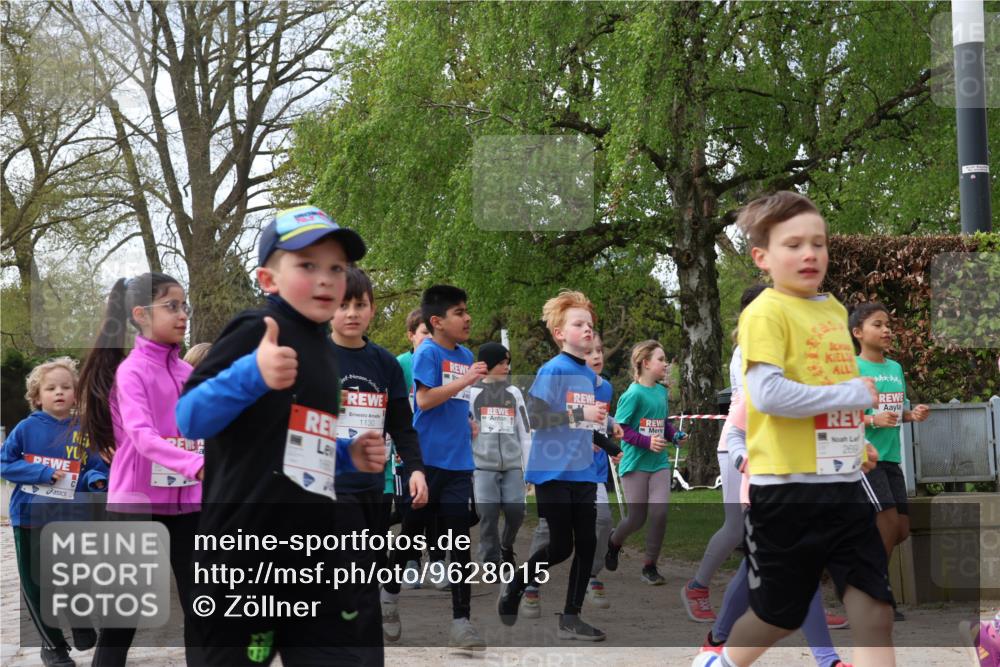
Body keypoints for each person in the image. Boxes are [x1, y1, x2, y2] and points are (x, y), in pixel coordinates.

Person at [175, 205, 386, 666]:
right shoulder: (259, 330)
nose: (328, 279)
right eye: (307, 265)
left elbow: (296, 445)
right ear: (268, 279)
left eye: (336, 267)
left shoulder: (322, 348)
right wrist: (252, 373)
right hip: (243, 557)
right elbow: (189, 418)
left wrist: (348, 456)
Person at [719, 191, 893, 667]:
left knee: (875, 608)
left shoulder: (835, 309)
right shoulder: (765, 312)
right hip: (787, 493)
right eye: (793, 244)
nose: (810, 253)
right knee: (779, 615)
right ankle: (719, 661)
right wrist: (853, 396)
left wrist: (855, 445)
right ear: (762, 258)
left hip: (844, 484)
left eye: (818, 242)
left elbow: (825, 385)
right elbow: (769, 395)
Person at [76, 272, 203, 667]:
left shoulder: (188, 374)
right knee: (122, 620)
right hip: (136, 505)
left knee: (203, 610)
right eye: (172, 306)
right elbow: (143, 437)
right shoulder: (130, 372)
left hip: (189, 506)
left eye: (185, 306)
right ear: (140, 315)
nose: (182, 314)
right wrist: (198, 464)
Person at [497, 290, 620, 641]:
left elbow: (581, 427)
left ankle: (571, 617)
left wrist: (608, 444)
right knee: (561, 547)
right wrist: (582, 413)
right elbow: (535, 417)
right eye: (578, 324)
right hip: (552, 473)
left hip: (583, 471)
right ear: (559, 333)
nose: (587, 331)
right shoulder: (553, 370)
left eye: (590, 325)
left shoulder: (591, 378)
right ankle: (518, 583)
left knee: (586, 543)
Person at [380, 284, 488, 651]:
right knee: (410, 534)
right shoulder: (427, 352)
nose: (468, 317)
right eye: (459, 312)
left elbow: (458, 402)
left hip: (458, 463)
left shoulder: (467, 354)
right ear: (437, 321)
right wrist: (467, 379)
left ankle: (462, 623)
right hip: (425, 465)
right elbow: (424, 401)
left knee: (459, 542)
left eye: (466, 310)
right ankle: (389, 598)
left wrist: (469, 420)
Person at [329, 267, 428, 649]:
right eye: (343, 304)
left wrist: (416, 470)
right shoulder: (315, 359)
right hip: (329, 487)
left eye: (360, 304)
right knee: (350, 567)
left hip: (375, 485)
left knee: (367, 569)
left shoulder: (385, 364)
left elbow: (403, 426)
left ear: (371, 309)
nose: (352, 312)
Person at [1, 357, 109, 667]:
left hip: (74, 519)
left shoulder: (85, 430)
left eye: (66, 387)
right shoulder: (25, 428)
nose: (59, 392)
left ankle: (81, 622)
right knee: (37, 585)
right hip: (30, 519)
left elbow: (95, 468)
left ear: (77, 393)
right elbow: (5, 463)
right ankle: (53, 647)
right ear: (37, 397)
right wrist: (39, 473)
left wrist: (97, 481)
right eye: (51, 388)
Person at [521, 332, 622, 617]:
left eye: (601, 351)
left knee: (600, 522)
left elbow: (597, 420)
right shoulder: (560, 375)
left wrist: (610, 433)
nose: (597, 356)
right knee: (551, 534)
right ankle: (530, 583)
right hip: (557, 470)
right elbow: (546, 417)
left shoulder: (604, 388)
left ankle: (589, 577)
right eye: (591, 352)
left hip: (591, 471)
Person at [683, 284, 765, 622]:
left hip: (768, 445)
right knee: (736, 529)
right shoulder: (745, 350)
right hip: (740, 445)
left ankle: (802, 606)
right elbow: (757, 400)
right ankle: (697, 588)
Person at [850, 301, 929, 621]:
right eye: (878, 325)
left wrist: (913, 414)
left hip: (892, 458)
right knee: (888, 524)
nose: (886, 330)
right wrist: (870, 422)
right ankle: (874, 595)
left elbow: (896, 414)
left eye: (888, 325)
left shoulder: (894, 368)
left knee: (902, 531)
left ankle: (859, 578)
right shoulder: (852, 368)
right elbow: (840, 416)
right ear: (858, 333)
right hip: (865, 458)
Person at [604, 340, 686, 585]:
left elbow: (663, 422)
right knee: (636, 519)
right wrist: (647, 442)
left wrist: (674, 435)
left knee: (659, 513)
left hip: (659, 463)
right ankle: (614, 541)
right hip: (635, 463)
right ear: (645, 363)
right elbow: (621, 429)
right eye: (661, 359)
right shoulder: (633, 394)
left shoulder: (661, 391)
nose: (665, 364)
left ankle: (650, 565)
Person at [469, 342, 529, 566]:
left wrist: (529, 468)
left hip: (512, 465)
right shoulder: (471, 394)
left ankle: (506, 545)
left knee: (516, 511)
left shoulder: (514, 393)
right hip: (482, 466)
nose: (507, 368)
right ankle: (491, 560)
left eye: (508, 363)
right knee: (487, 514)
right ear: (488, 365)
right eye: (502, 363)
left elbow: (525, 430)